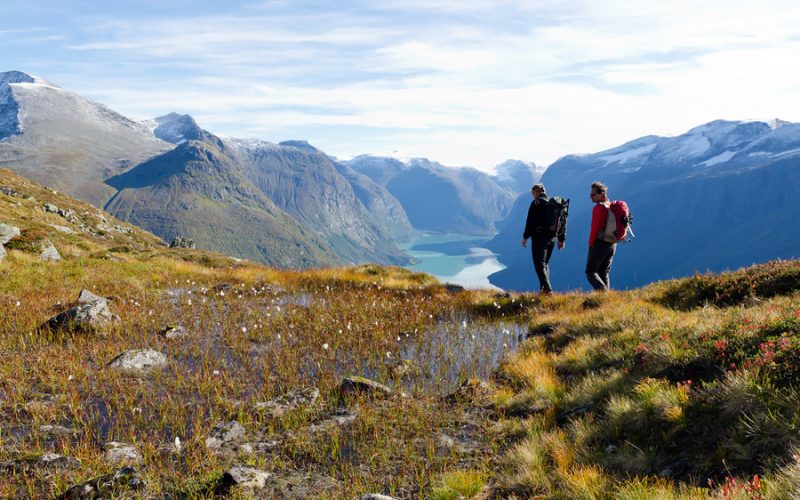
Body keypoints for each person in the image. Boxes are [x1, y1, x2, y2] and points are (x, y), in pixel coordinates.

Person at [521, 183, 566, 294]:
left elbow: (530, 222)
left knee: (539, 264)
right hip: (552, 238)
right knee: (544, 263)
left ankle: (548, 290)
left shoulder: (536, 203)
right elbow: (562, 221)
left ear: (535, 192)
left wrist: (525, 237)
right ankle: (543, 291)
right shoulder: (554, 203)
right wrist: (561, 239)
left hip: (539, 238)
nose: (533, 196)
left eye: (532, 194)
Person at [586, 181, 615, 291]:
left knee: (590, 272)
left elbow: (595, 228)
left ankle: (604, 295)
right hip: (612, 243)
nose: (591, 197)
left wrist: (590, 243)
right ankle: (606, 298)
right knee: (604, 272)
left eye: (593, 194)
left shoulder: (599, 208)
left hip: (599, 243)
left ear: (602, 194)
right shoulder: (611, 205)